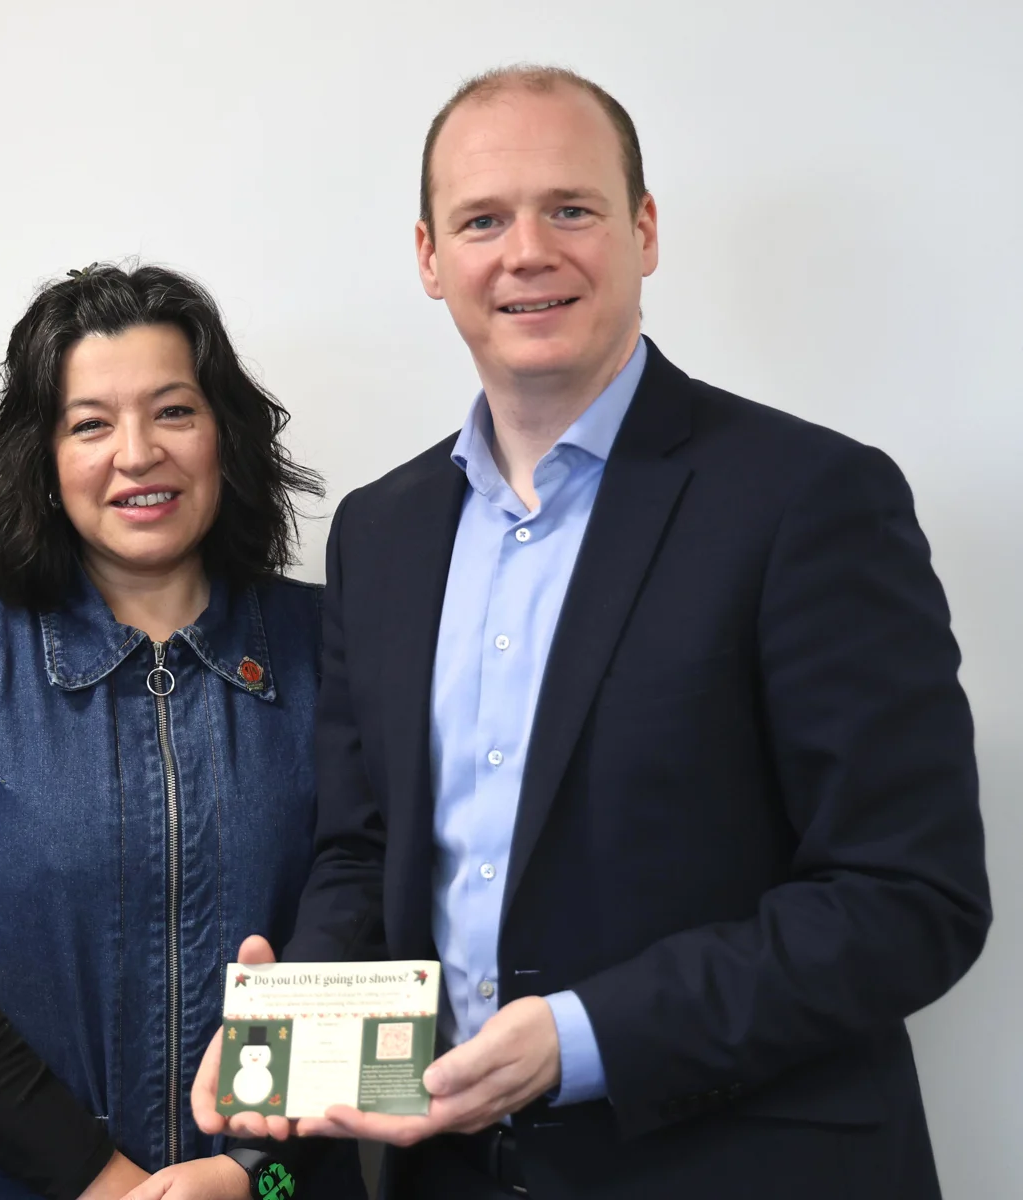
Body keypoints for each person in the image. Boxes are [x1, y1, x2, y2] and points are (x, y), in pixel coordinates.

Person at [193, 66, 989, 1199]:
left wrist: (580, 1036)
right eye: (483, 219)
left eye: (570, 208)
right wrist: (294, 1028)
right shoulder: (382, 532)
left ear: (644, 230)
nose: (527, 251)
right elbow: (362, 854)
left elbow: (911, 898)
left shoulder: (809, 498)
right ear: (430, 257)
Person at [0, 264, 365, 1200]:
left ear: (224, 436)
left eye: (173, 412)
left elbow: (374, 915)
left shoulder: (331, 642)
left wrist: (252, 1173)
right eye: (90, 423)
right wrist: (101, 1179)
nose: (137, 454)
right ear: (44, 461)